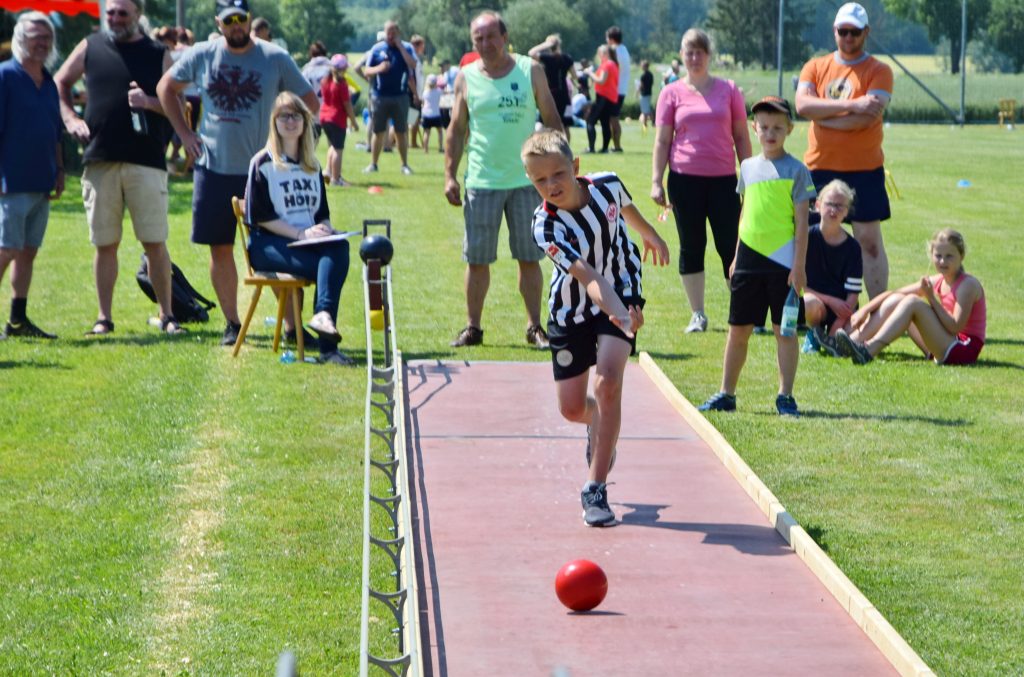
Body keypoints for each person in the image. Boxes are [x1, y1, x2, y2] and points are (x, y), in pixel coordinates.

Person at [523, 128, 669, 526]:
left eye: (558, 174)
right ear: (530, 181)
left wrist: (649, 234)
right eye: (540, 180)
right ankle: (598, 426)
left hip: (622, 286)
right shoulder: (545, 227)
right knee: (572, 408)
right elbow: (586, 277)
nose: (551, 185)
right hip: (574, 307)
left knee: (608, 383)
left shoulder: (606, 184)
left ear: (575, 167)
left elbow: (625, 206)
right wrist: (619, 313)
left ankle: (595, 488)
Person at [157, 0, 319, 346]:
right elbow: (165, 88)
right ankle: (232, 324)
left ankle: (293, 328)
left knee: (282, 243)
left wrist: (290, 143)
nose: (236, 26)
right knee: (219, 247)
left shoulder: (274, 57)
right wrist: (185, 135)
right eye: (229, 20)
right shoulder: (202, 54)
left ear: (249, 19)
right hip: (214, 167)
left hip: (265, 171)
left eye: (241, 19)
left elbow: (309, 101)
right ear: (218, 23)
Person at [55, 0, 184, 336]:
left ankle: (167, 315)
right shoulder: (91, 46)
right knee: (105, 244)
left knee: (154, 242)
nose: (114, 19)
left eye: (121, 13)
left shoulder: (158, 53)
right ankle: (104, 318)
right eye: (110, 12)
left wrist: (150, 102)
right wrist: (70, 117)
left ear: (138, 15)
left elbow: (180, 104)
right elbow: (60, 82)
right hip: (100, 159)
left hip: (146, 161)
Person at [444, 11, 565, 349]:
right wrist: (449, 176)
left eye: (490, 37)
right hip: (481, 183)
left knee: (530, 257)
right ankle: (473, 328)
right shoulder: (466, 77)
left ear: (505, 36)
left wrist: (561, 170)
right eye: (478, 39)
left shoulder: (531, 70)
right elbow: (456, 129)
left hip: (529, 181)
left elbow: (553, 120)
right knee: (477, 259)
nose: (485, 44)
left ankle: (535, 328)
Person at [698, 96, 815, 417]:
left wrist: (800, 266)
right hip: (748, 261)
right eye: (764, 127)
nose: (770, 133)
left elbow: (802, 224)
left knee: (785, 332)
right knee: (738, 330)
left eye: (778, 127)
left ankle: (785, 396)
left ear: (790, 129)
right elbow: (745, 214)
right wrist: (736, 257)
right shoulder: (747, 167)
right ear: (754, 128)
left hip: (784, 266)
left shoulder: (797, 171)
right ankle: (726, 393)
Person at [651, 29, 751, 335]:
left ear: (709, 55)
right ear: (681, 55)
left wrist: (749, 176)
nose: (694, 58)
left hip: (724, 181)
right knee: (692, 246)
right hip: (684, 181)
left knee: (731, 247)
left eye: (700, 52)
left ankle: (742, 313)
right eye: (689, 52)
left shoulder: (729, 90)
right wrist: (657, 180)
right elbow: (662, 140)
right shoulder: (671, 93)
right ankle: (698, 314)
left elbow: (742, 137)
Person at [244, 92, 352, 365]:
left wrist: (326, 230)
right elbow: (259, 217)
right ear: (274, 122)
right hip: (268, 244)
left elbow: (321, 214)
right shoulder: (263, 163)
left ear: (305, 122)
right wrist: (301, 234)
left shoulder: (312, 166)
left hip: (305, 243)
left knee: (339, 245)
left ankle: (323, 318)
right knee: (328, 263)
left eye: (296, 116)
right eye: (284, 116)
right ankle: (328, 349)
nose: (290, 121)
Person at [795, 2, 893, 299]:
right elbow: (802, 106)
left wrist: (823, 116)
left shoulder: (879, 70)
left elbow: (869, 116)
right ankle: (815, 312)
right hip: (819, 167)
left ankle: (877, 312)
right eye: (843, 31)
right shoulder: (815, 66)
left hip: (864, 169)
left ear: (866, 32)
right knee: (814, 240)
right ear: (834, 31)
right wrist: (852, 105)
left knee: (869, 241)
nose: (848, 37)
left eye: (855, 32)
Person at [0, 12, 64, 340]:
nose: (42, 42)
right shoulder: (5, 77)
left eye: (47, 37)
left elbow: (54, 131)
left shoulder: (49, 81)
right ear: (19, 39)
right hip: (11, 182)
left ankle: (17, 320)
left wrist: (60, 169)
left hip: (41, 180)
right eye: (35, 36)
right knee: (6, 249)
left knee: (27, 251)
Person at [836, 229, 985, 366]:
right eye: (938, 256)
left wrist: (931, 298)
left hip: (963, 349)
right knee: (898, 299)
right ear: (931, 255)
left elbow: (955, 327)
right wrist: (865, 310)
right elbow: (895, 293)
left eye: (949, 256)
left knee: (912, 303)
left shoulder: (967, 285)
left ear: (961, 256)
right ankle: (850, 343)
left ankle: (868, 351)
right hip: (946, 343)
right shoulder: (939, 279)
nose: (942, 261)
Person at [800, 179, 863, 357]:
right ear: (818, 205)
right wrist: (829, 301)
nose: (834, 210)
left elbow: (853, 294)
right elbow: (799, 284)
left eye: (840, 206)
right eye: (829, 204)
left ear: (847, 212)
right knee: (808, 302)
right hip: (817, 303)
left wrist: (836, 327)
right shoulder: (806, 238)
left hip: (844, 309)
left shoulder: (853, 247)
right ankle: (813, 334)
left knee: (855, 336)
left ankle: (829, 338)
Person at [355, 21, 418, 175]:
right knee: (378, 131)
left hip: (400, 96)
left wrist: (400, 47)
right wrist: (380, 68)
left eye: (393, 32)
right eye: (388, 32)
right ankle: (373, 164)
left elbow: (413, 65)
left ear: (398, 33)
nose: (390, 36)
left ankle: (404, 165)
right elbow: (367, 70)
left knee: (401, 132)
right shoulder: (377, 49)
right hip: (379, 96)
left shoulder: (407, 47)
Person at [527, 34, 575, 140]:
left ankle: (541, 143)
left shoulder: (547, 58)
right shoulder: (567, 58)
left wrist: (544, 44)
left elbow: (531, 53)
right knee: (565, 125)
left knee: (542, 121)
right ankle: (566, 150)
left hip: (551, 95)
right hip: (565, 96)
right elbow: (574, 76)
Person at [320, 54, 357, 187]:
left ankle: (328, 172)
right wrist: (354, 122)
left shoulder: (325, 81)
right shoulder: (342, 84)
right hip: (337, 118)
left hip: (324, 117)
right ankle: (336, 179)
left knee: (332, 146)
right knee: (338, 149)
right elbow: (347, 105)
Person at [582, 45, 618, 154]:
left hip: (603, 97)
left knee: (591, 121)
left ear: (604, 53)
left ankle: (591, 148)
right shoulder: (612, 64)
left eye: (599, 54)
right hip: (610, 98)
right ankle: (605, 148)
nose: (598, 56)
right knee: (605, 123)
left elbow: (601, 80)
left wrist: (589, 73)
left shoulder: (607, 64)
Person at [605, 26, 629, 153]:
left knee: (613, 119)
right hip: (622, 89)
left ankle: (617, 146)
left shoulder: (614, 51)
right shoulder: (624, 49)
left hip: (614, 90)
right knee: (614, 118)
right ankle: (615, 145)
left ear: (611, 39)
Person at [420, 73, 444, 153]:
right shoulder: (438, 92)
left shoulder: (425, 92)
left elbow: (423, 103)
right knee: (440, 132)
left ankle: (425, 149)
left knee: (426, 133)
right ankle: (440, 147)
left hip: (426, 114)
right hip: (436, 114)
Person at [636, 59, 653, 132]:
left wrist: (637, 92)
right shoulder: (651, 74)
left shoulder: (643, 76)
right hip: (649, 93)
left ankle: (653, 122)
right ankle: (645, 123)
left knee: (646, 110)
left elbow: (641, 85)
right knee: (646, 110)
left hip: (644, 94)